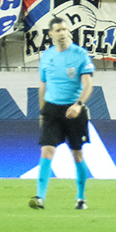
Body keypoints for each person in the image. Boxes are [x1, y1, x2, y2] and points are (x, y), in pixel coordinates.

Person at [31, 18, 95, 211]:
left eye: (65, 29)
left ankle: (80, 198)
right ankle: (39, 197)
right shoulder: (46, 57)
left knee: (77, 154)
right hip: (52, 109)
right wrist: (42, 113)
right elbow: (43, 87)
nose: (62, 33)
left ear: (69, 32)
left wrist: (78, 105)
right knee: (46, 150)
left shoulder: (80, 54)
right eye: (58, 30)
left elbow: (88, 85)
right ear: (50, 34)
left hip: (74, 110)